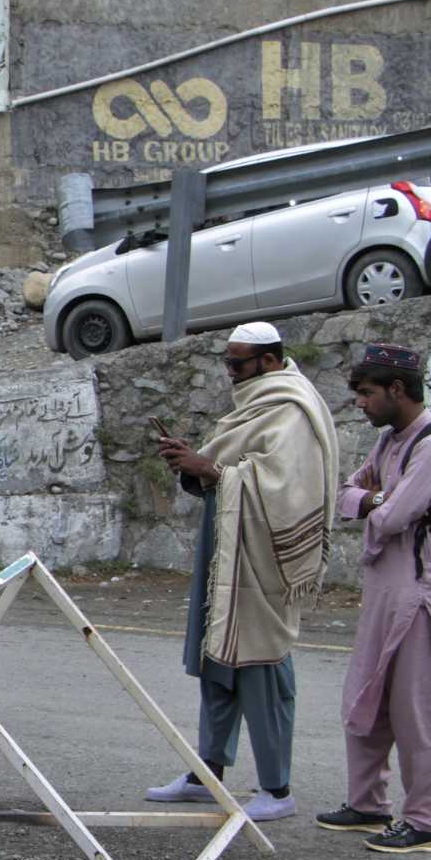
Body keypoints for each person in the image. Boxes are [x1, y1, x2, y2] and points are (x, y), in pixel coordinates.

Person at [145, 322, 337, 823]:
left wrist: (209, 469)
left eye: (238, 363)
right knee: (218, 663)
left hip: (264, 557)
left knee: (262, 668)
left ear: (269, 361)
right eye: (227, 362)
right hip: (227, 548)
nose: (230, 372)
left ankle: (277, 788)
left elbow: (287, 490)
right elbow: (232, 470)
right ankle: (207, 775)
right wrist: (195, 464)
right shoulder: (256, 405)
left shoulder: (291, 409)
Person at [318, 344, 431, 854]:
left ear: (396, 390)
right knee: (365, 696)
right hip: (383, 587)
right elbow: (343, 496)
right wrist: (375, 496)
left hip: (420, 594)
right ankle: (368, 803)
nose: (360, 403)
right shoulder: (389, 443)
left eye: (366, 393)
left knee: (417, 709)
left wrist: (375, 500)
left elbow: (394, 517)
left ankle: (425, 821)